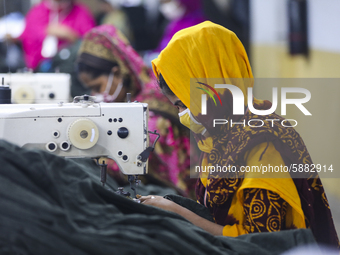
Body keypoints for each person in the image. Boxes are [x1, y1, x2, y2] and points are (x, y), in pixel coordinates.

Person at [140, 21, 339, 248]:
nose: (183, 115)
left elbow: (258, 242)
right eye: (177, 108)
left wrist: (178, 212)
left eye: (184, 104)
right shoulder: (218, 135)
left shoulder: (263, 147)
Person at [76, 24, 196, 197]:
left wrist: (90, 155)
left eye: (97, 87)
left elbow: (135, 163)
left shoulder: (153, 114)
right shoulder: (137, 96)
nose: (96, 95)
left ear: (116, 73)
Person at [18, 0, 95, 71]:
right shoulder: (38, 10)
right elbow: (28, 36)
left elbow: (89, 40)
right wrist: (47, 31)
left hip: (71, 65)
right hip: (41, 66)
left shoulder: (80, 12)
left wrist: (70, 36)